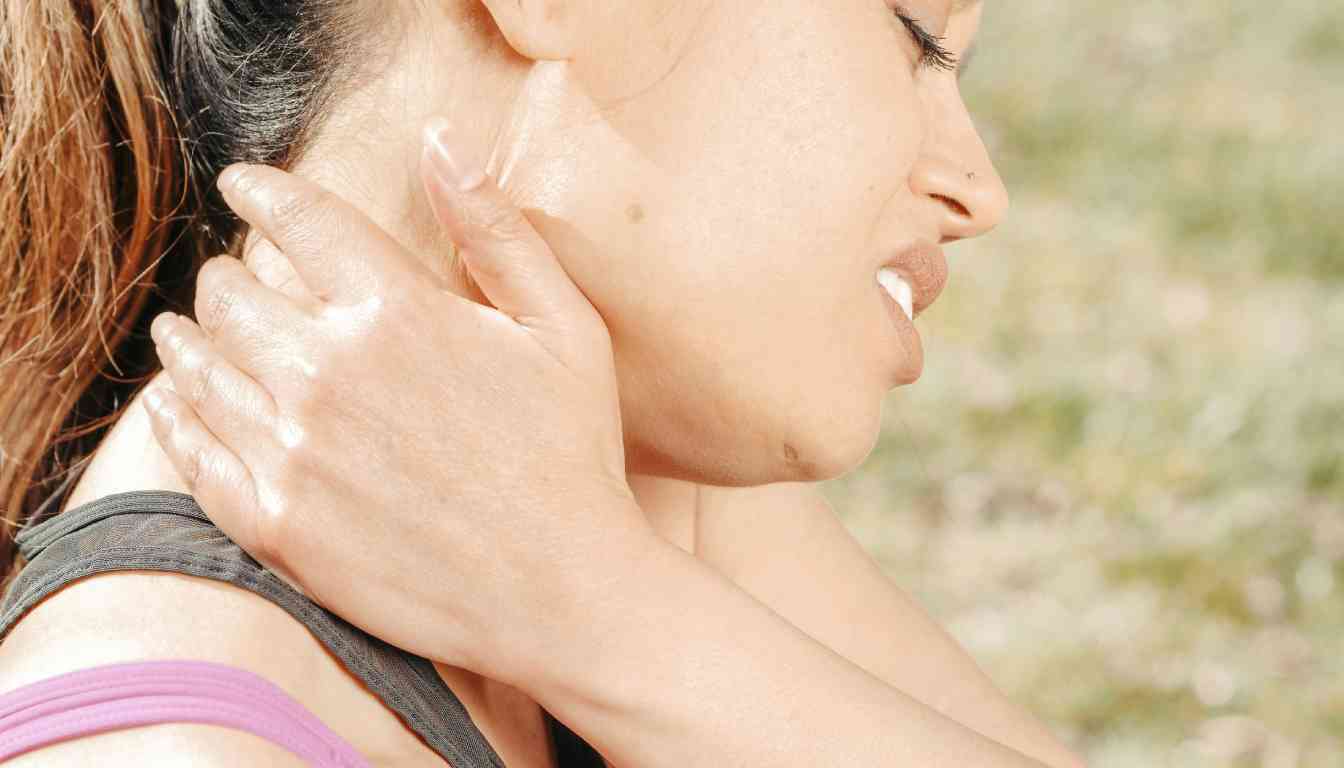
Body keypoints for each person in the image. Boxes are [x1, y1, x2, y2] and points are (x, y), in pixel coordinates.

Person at [0, 0, 1083, 765]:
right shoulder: (180, 745)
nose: (976, 187)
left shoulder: (634, 504)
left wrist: (597, 603)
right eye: (914, 32)